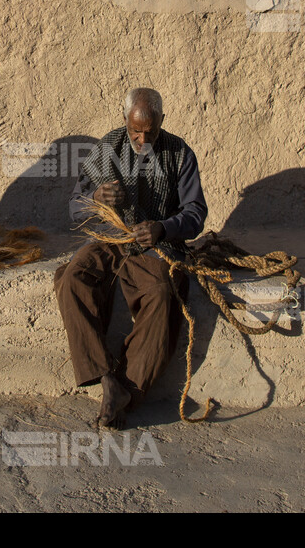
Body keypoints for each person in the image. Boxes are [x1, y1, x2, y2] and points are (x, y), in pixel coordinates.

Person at [55, 88, 208, 428]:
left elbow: (196, 213)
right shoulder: (106, 149)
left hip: (155, 247)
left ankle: (128, 387)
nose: (142, 138)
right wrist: (95, 196)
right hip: (111, 240)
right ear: (124, 120)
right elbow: (74, 208)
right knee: (71, 278)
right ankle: (106, 376)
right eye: (136, 131)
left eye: (150, 132)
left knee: (163, 294)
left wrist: (164, 228)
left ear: (162, 123)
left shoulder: (180, 153)